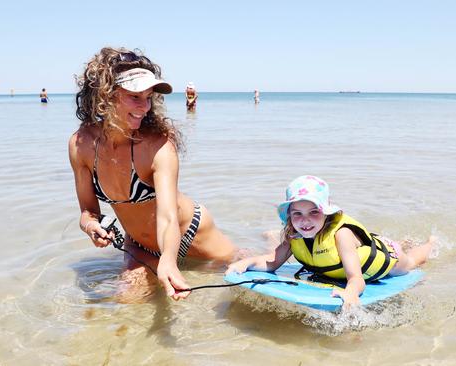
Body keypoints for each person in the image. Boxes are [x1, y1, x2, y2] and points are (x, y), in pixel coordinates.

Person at [68, 47, 237, 301]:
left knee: (243, 270)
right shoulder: (80, 145)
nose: (144, 107)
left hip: (192, 235)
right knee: (127, 302)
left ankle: (271, 242)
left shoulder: (158, 145)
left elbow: (168, 217)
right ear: (104, 96)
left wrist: (168, 260)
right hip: (139, 246)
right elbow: (87, 212)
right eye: (135, 96)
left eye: (148, 97)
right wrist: (92, 226)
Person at [227, 175, 434, 307]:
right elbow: (272, 262)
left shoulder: (341, 235)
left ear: (326, 213)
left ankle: (430, 244)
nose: (305, 220)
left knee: (412, 261)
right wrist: (247, 263)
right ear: (289, 216)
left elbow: (356, 279)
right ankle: (407, 242)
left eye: (313, 212)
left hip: (388, 258)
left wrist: (350, 294)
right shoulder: (293, 234)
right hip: (358, 250)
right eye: (297, 213)